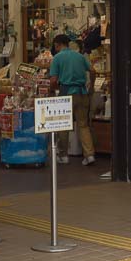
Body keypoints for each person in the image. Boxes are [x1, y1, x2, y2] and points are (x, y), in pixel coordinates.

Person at [48, 34, 96, 165]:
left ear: (57, 44)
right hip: (82, 92)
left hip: (66, 93)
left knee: (63, 125)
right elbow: (92, 71)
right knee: (83, 125)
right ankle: (89, 155)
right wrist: (91, 85)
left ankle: (63, 155)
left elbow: (52, 80)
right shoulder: (80, 56)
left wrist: (55, 88)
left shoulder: (57, 58)